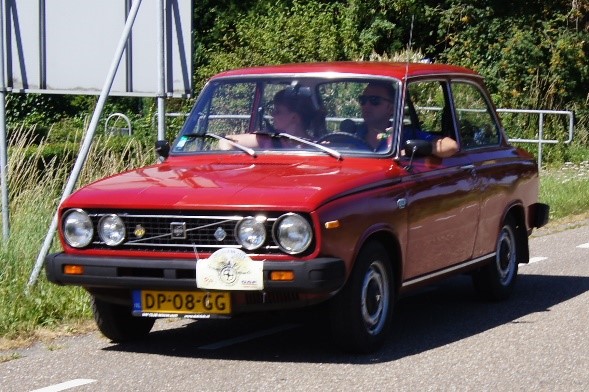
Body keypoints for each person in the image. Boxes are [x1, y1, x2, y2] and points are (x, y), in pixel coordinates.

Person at [357, 82, 458, 157]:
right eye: (363, 100)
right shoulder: (352, 134)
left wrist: (411, 150)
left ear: (391, 108)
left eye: (374, 100)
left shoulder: (404, 134)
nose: (366, 105)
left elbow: (451, 146)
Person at [220, 88, 316, 149]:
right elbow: (226, 141)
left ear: (294, 117)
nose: (272, 115)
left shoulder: (320, 146)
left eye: (278, 111)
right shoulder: (267, 139)